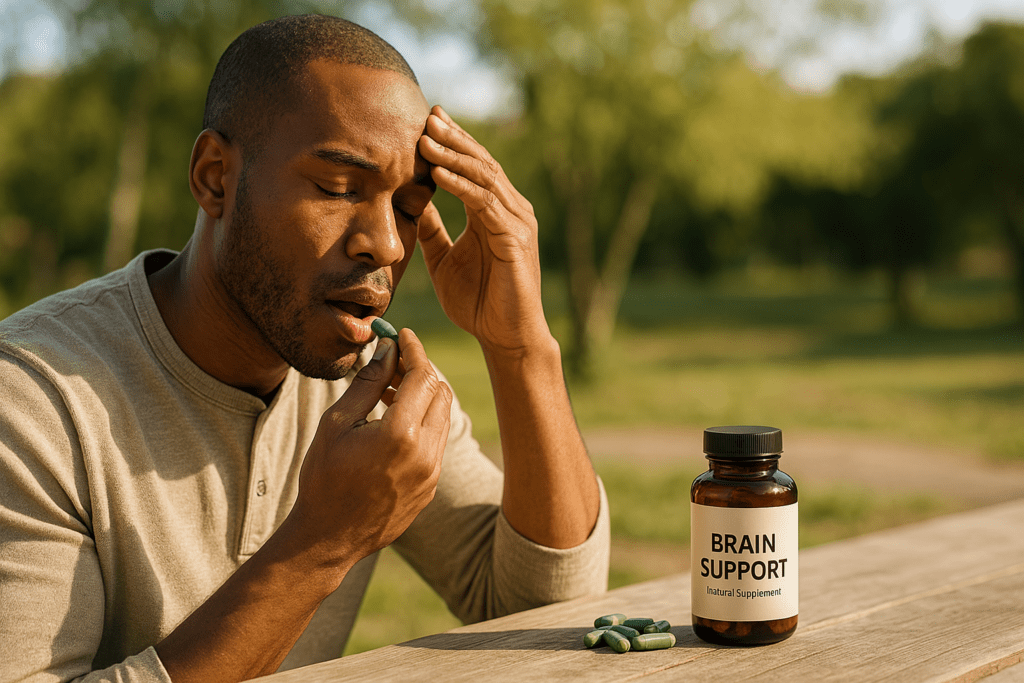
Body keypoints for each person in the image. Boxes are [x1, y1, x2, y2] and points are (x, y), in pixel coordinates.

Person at [0, 14, 609, 683]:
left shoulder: (373, 391)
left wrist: (522, 347)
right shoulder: (30, 400)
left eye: (407, 206)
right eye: (339, 188)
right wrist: (324, 542)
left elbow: (545, 612)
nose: (386, 244)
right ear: (214, 178)